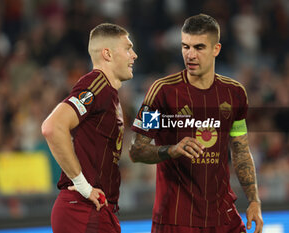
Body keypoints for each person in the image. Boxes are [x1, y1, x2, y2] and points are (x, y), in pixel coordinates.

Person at [130, 14, 263, 233]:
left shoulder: (235, 94)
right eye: (185, 46)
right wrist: (171, 150)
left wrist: (254, 200)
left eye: (199, 47)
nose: (190, 55)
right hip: (176, 219)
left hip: (223, 217)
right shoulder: (162, 93)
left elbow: (240, 149)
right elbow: (136, 149)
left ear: (216, 49)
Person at [41, 23, 137, 233]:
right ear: (107, 54)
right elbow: (53, 127)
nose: (134, 55)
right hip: (83, 209)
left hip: (94, 210)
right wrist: (83, 186)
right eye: (128, 48)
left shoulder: (109, 94)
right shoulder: (96, 84)